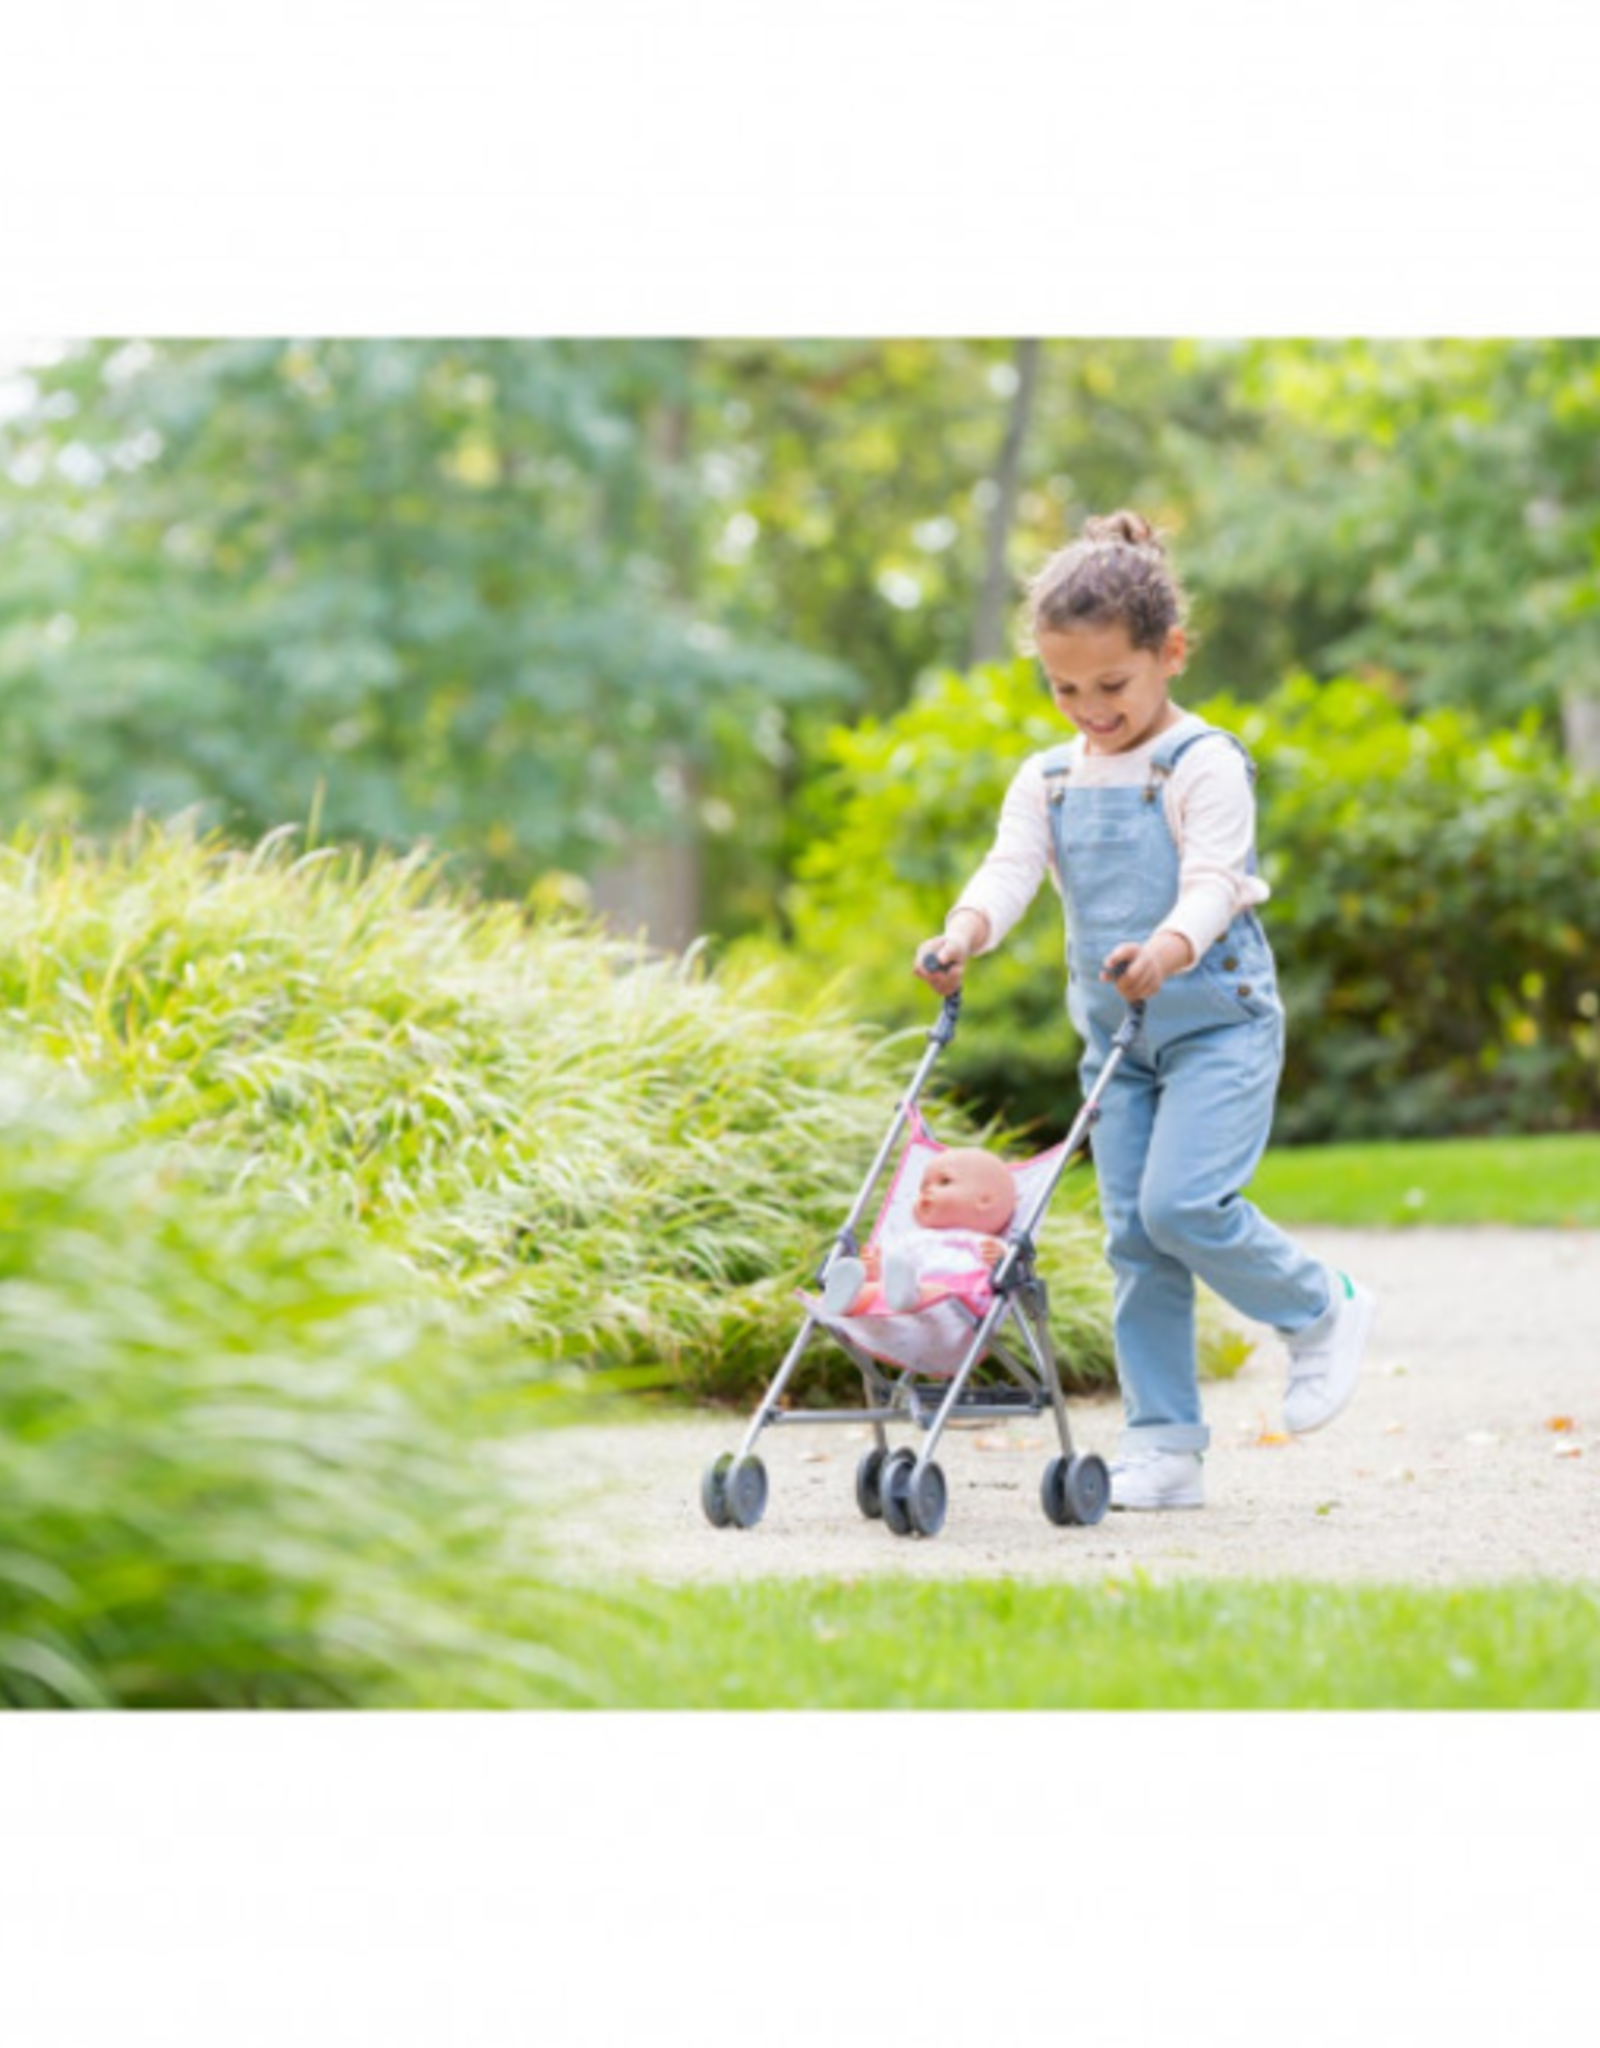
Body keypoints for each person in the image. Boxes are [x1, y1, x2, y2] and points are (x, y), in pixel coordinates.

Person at [913, 509, 1375, 1511]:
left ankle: (1317, 1306)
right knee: (1134, 1237)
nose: (1088, 707)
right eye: (1063, 687)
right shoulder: (1044, 778)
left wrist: (1166, 948)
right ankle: (1164, 1445)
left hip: (1216, 1022)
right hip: (1116, 1048)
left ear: (1170, 653)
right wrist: (962, 932)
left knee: (1181, 1205)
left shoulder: (1200, 762)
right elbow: (1010, 869)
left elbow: (1215, 881)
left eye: (1111, 685)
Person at [822, 1147, 1015, 1317]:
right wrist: (874, 1269)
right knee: (873, 1290)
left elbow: (1006, 1270)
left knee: (936, 1292)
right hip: (896, 1300)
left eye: (944, 1181)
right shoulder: (914, 1238)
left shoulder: (982, 1242)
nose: (927, 1190)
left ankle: (909, 1294)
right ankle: (847, 1302)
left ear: (984, 1201)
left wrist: (1000, 1260)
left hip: (954, 1304)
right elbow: (893, 1264)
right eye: (923, 1186)